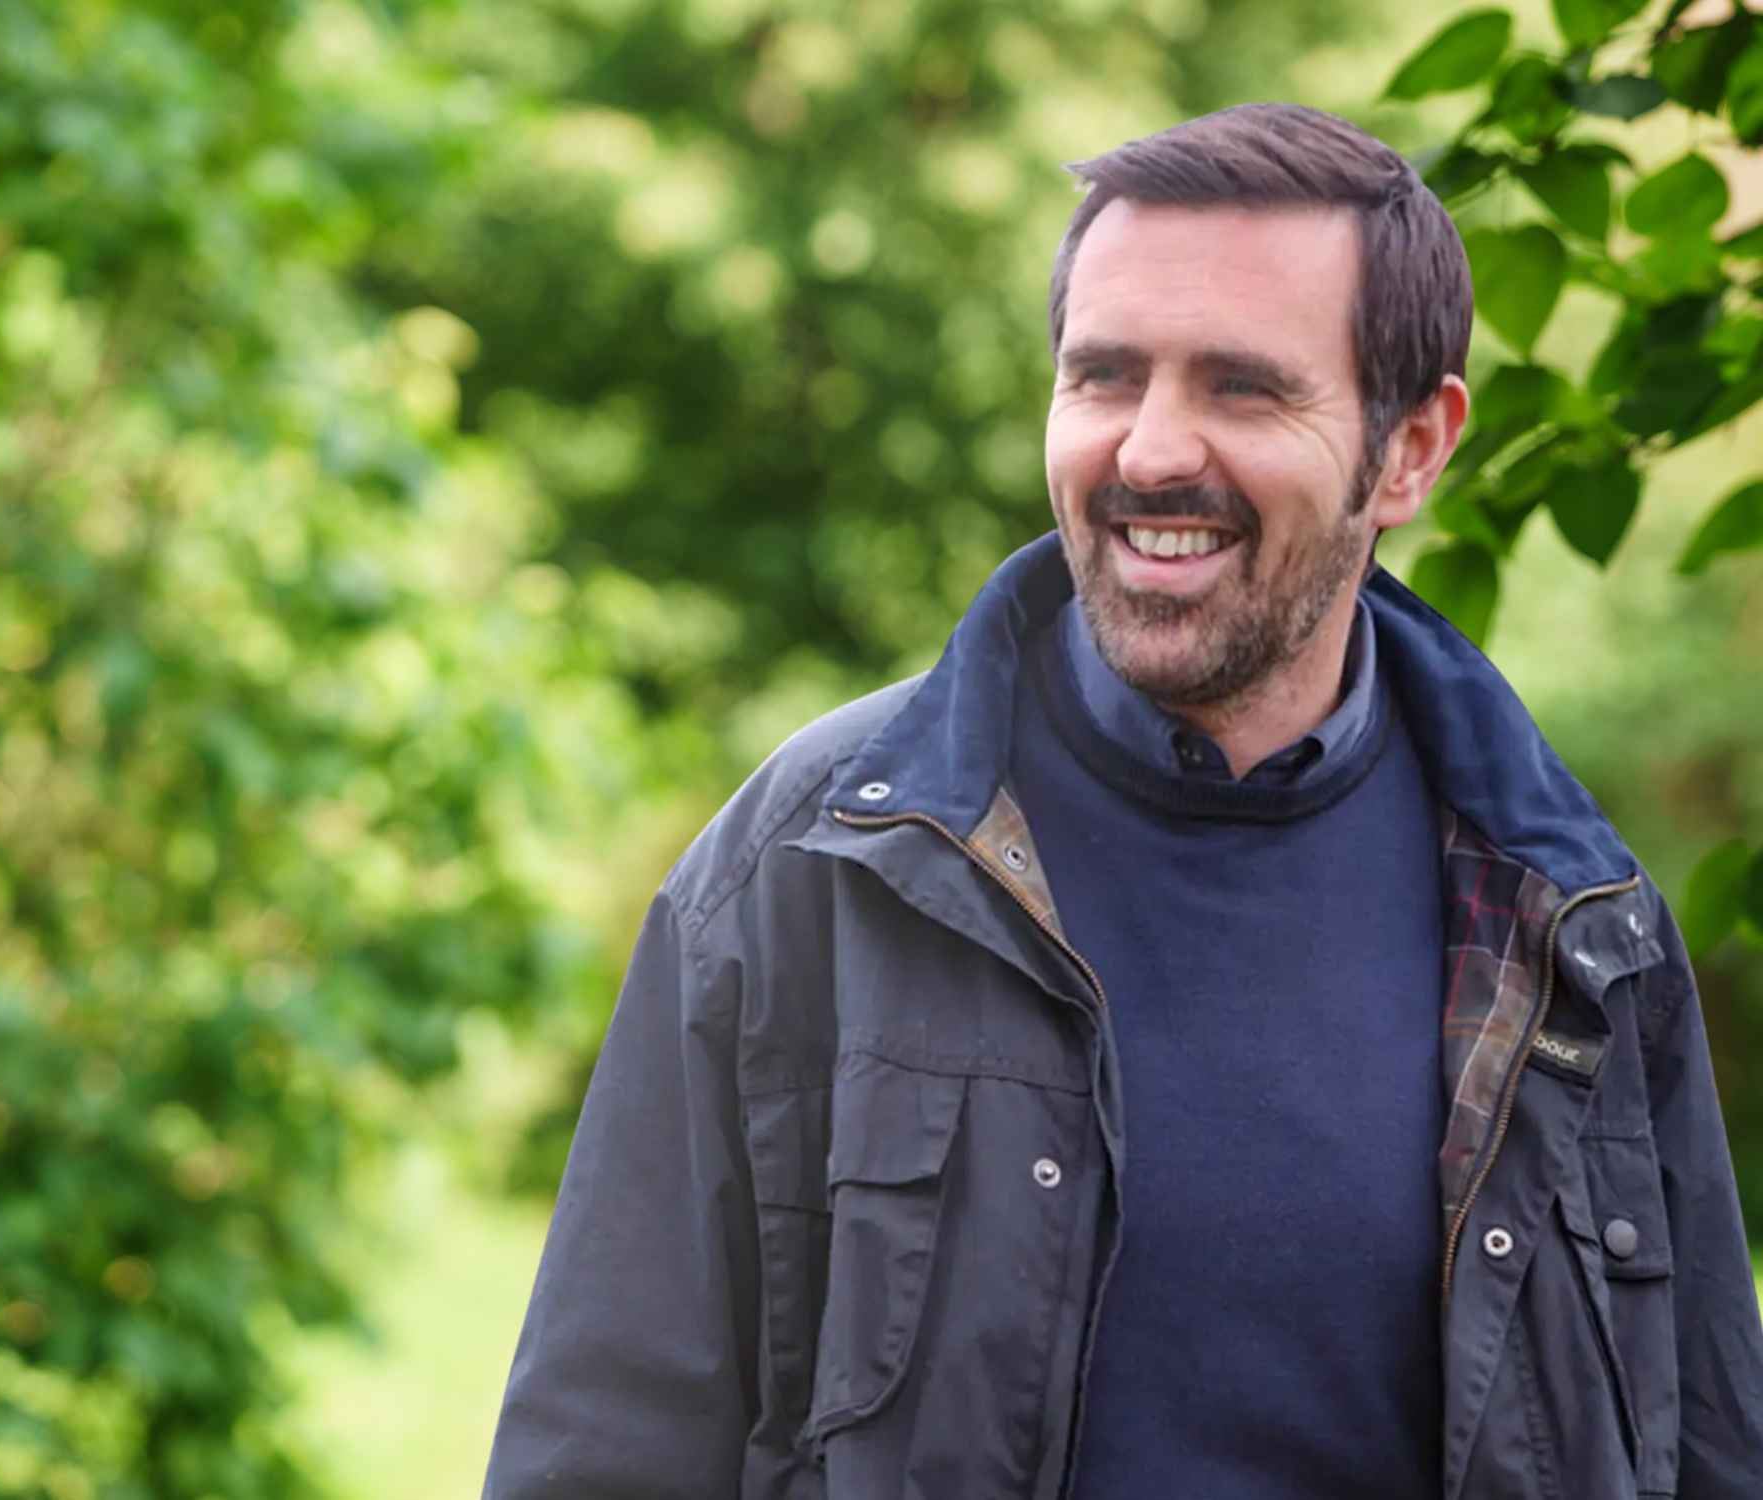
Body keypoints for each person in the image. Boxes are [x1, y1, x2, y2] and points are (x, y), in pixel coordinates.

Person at [482, 103, 1763, 1499]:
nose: (1150, 451)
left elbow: (1704, 1451)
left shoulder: (1572, 923)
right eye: (1103, 378)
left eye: (1242, 388)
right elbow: (598, 1455)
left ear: (1412, 450)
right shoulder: (815, 864)